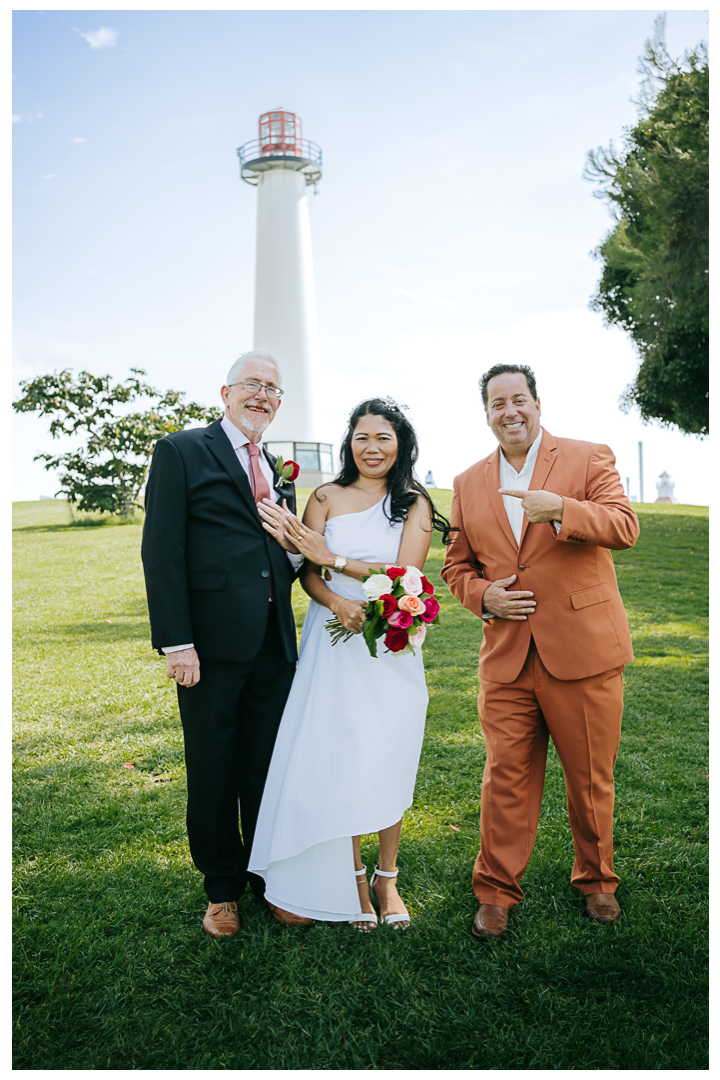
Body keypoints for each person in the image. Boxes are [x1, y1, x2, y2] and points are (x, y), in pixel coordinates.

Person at [441, 363, 639, 941]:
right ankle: (497, 891)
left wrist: (561, 510)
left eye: (519, 399)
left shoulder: (586, 457)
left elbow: (624, 526)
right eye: (497, 403)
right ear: (486, 414)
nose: (510, 411)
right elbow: (456, 565)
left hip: (582, 650)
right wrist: (484, 596)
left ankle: (598, 880)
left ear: (536, 403)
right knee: (505, 776)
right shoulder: (466, 481)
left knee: (588, 776)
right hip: (507, 658)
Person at [247, 398, 451, 930]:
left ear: (400, 444)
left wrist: (337, 561)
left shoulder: (414, 504)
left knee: (386, 749)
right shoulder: (324, 496)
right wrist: (335, 599)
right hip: (333, 642)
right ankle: (353, 878)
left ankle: (388, 878)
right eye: (362, 437)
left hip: (390, 642)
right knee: (341, 750)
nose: (373, 448)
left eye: (384, 437)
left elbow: (407, 575)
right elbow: (307, 573)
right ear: (349, 443)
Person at [141, 350, 303, 939]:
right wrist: (177, 642)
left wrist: (295, 550)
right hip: (207, 647)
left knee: (267, 767)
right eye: (252, 385)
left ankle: (268, 881)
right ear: (225, 392)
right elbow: (162, 552)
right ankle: (222, 890)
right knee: (213, 768)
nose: (262, 396)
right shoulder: (182, 451)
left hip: (273, 644)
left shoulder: (279, 469)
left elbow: (277, 556)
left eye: (272, 390)